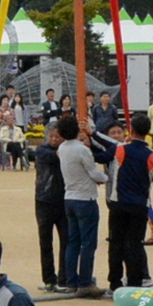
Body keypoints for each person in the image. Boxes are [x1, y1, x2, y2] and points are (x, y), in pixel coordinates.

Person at [106, 124, 153, 291]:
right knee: (135, 244)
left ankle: (115, 283)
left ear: (130, 132)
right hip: (138, 204)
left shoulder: (120, 150)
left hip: (119, 202)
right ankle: (135, 282)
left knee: (116, 244)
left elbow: (100, 156)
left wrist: (91, 135)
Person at [56, 114, 103, 294]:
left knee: (73, 242)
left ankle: (71, 280)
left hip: (70, 197)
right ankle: (85, 282)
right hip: (86, 197)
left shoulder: (62, 148)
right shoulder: (82, 149)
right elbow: (93, 172)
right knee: (88, 243)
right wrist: (106, 178)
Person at [32, 121, 66, 291]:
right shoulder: (42, 151)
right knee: (45, 242)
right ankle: (49, 279)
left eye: (58, 136)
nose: (54, 139)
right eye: (51, 136)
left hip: (64, 201)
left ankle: (64, 277)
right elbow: (55, 157)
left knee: (66, 241)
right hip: (43, 200)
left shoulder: (66, 150)